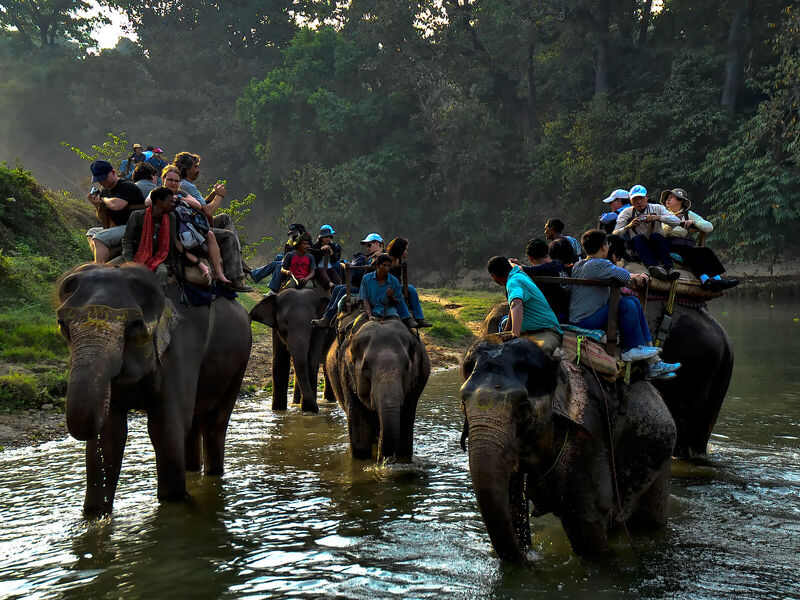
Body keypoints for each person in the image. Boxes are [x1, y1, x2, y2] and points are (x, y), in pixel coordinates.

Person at [570, 229, 680, 379]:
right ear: (603, 247)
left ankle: (652, 360)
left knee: (633, 301)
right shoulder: (599, 264)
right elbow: (624, 276)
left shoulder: (579, 264)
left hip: (585, 315)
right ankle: (630, 348)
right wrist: (639, 275)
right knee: (627, 304)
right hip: (586, 319)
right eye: (607, 244)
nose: (608, 247)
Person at [172, 152, 251, 291]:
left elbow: (201, 204)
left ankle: (239, 262)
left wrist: (213, 194)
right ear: (186, 169)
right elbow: (207, 211)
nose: (198, 170)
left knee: (225, 218)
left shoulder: (188, 185)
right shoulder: (186, 186)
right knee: (229, 235)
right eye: (195, 167)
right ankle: (235, 278)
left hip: (198, 221)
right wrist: (220, 196)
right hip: (194, 227)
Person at [159, 165, 231, 285]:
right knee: (178, 242)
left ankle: (219, 273)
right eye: (170, 180)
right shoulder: (158, 192)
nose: (173, 183)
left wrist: (180, 199)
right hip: (170, 228)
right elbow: (148, 201)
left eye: (176, 181)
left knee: (210, 234)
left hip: (187, 225)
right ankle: (197, 264)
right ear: (163, 180)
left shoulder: (181, 192)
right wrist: (166, 199)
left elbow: (197, 204)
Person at [122, 186, 208, 284]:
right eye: (170, 201)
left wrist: (199, 263)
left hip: (159, 258)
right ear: (159, 201)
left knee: (162, 272)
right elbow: (127, 239)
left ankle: (159, 296)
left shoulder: (171, 218)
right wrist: (128, 261)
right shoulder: (137, 216)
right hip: (138, 255)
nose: (173, 204)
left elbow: (176, 243)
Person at [660, 188, 739, 291]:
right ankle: (705, 280)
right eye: (667, 198)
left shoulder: (688, 214)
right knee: (689, 251)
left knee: (705, 251)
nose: (668, 200)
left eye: (671, 197)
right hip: (667, 244)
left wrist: (694, 223)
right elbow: (664, 231)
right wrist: (676, 220)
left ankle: (718, 278)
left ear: (681, 201)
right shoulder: (662, 212)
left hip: (683, 245)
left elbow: (709, 227)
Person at [486, 256, 563, 355]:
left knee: (538, 354)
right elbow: (512, 309)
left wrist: (515, 335)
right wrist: (506, 332)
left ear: (493, 276)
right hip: (528, 332)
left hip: (545, 331)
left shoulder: (513, 282)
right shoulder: (518, 274)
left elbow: (516, 305)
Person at [312, 233, 385, 328]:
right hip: (361, 285)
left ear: (377, 243)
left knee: (343, 290)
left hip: (370, 289)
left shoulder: (384, 257)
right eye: (367, 245)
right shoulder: (368, 256)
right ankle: (326, 317)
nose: (367, 248)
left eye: (369, 245)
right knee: (338, 288)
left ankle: (327, 319)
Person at [613, 185, 681, 281]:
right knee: (637, 238)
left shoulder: (657, 208)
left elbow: (676, 221)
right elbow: (615, 234)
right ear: (630, 201)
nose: (639, 202)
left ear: (647, 197)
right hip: (641, 248)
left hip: (659, 245)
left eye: (641, 198)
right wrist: (629, 226)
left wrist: (657, 217)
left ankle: (669, 266)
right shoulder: (626, 213)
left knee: (655, 236)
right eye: (635, 199)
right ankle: (654, 267)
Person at [85, 160, 145, 263]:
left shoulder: (127, 187)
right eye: (99, 180)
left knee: (98, 238)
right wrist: (97, 204)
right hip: (117, 227)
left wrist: (103, 200)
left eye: (104, 178)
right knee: (91, 232)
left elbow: (116, 205)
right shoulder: (105, 191)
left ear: (113, 172)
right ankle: (107, 254)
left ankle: (99, 267)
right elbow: (104, 218)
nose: (102, 182)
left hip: (133, 227)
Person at [511, 238, 570, 322]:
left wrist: (510, 263)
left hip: (553, 316)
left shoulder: (542, 269)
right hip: (566, 312)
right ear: (548, 251)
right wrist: (519, 264)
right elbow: (533, 269)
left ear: (531, 258)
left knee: (505, 321)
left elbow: (520, 269)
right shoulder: (558, 263)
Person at [359, 253, 417, 329]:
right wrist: (370, 316)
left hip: (389, 311)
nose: (387, 268)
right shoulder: (366, 279)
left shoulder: (394, 281)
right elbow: (365, 299)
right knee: (354, 328)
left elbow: (398, 302)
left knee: (401, 329)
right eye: (384, 265)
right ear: (377, 266)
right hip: (372, 310)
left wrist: (392, 296)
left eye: (388, 266)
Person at [385, 237, 432, 327]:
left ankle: (419, 318)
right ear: (400, 249)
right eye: (405, 249)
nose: (406, 252)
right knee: (398, 291)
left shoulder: (400, 261)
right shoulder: (386, 259)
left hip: (396, 286)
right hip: (384, 287)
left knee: (411, 289)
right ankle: (407, 318)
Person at [251, 223, 307, 291]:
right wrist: (288, 249)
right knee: (278, 257)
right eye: (291, 233)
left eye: (294, 232)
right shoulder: (291, 239)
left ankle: (272, 288)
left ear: (299, 232)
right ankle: (272, 280)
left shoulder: (303, 240)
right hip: (290, 258)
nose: (292, 235)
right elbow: (286, 253)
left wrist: (292, 249)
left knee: (276, 265)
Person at [311, 224, 343, 289]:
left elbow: (334, 260)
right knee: (322, 271)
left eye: (330, 237)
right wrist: (321, 250)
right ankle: (330, 284)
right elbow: (315, 260)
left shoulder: (332, 246)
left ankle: (340, 285)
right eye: (326, 237)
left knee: (334, 274)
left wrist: (331, 253)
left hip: (329, 267)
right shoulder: (316, 246)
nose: (328, 239)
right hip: (318, 268)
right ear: (321, 237)